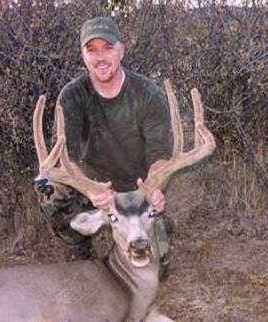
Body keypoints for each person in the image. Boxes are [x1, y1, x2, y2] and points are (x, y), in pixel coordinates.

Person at [35, 16, 172, 278]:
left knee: (159, 269)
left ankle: (152, 223)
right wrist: (91, 190)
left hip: (138, 189)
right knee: (46, 184)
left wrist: (155, 188)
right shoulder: (72, 96)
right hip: (96, 187)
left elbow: (160, 154)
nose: (100, 57)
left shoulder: (148, 94)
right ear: (83, 55)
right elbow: (65, 155)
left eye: (108, 48)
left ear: (121, 50)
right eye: (92, 50)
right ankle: (80, 247)